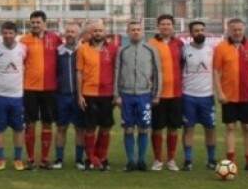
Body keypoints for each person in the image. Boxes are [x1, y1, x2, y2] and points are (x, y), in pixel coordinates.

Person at [213, 18, 248, 172]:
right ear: (229, 30)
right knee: (230, 127)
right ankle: (230, 160)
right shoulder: (221, 48)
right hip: (228, 96)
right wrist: (220, 92)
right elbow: (216, 71)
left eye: (240, 29)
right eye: (234, 29)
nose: (237, 32)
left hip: (247, 95)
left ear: (244, 29)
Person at [115, 20, 161, 171]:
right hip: (126, 94)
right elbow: (116, 72)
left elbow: (158, 72)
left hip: (144, 95)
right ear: (128, 32)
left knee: (143, 128)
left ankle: (141, 161)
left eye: (138, 29)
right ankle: (130, 161)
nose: (135, 32)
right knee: (128, 128)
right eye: (132, 29)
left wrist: (156, 94)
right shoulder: (122, 50)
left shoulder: (150, 50)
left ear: (142, 32)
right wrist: (116, 95)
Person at [20, 10, 62, 170]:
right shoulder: (24, 41)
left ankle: (44, 159)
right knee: (30, 124)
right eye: (33, 22)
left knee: (47, 123)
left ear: (45, 23)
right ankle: (31, 159)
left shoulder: (55, 39)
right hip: (30, 89)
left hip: (49, 89)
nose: (35, 25)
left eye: (38, 22)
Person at [77, 20, 120, 171]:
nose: (98, 33)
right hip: (89, 93)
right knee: (89, 128)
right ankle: (89, 158)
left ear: (104, 32)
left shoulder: (113, 49)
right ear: (91, 33)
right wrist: (79, 95)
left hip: (107, 94)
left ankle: (102, 156)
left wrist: (116, 94)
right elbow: (79, 73)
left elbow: (117, 72)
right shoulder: (83, 49)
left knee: (106, 127)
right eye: (95, 31)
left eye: (100, 31)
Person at [179, 20, 219, 171]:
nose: (199, 32)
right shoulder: (184, 50)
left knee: (210, 128)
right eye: (196, 30)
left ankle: (211, 159)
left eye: (202, 30)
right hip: (189, 96)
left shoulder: (211, 50)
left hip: (207, 96)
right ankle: (188, 161)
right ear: (191, 34)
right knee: (188, 128)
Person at [148, 14, 185, 171]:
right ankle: (157, 159)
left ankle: (171, 159)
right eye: (162, 24)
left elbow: (183, 65)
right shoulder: (151, 43)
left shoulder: (179, 44)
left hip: (176, 93)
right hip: (158, 94)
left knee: (173, 127)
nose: (166, 27)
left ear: (173, 26)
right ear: (158, 26)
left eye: (168, 24)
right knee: (157, 127)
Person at [0, 21, 28, 170]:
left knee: (18, 128)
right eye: (5, 33)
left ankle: (18, 159)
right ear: (1, 34)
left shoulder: (23, 49)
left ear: (15, 34)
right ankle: (0, 158)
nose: (8, 36)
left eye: (10, 33)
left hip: (17, 96)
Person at [53, 21, 85, 171]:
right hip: (62, 95)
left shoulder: (84, 50)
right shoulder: (58, 51)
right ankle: (59, 159)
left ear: (79, 34)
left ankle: (79, 159)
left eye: (73, 32)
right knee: (61, 127)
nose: (70, 34)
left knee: (80, 128)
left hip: (79, 96)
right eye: (68, 32)